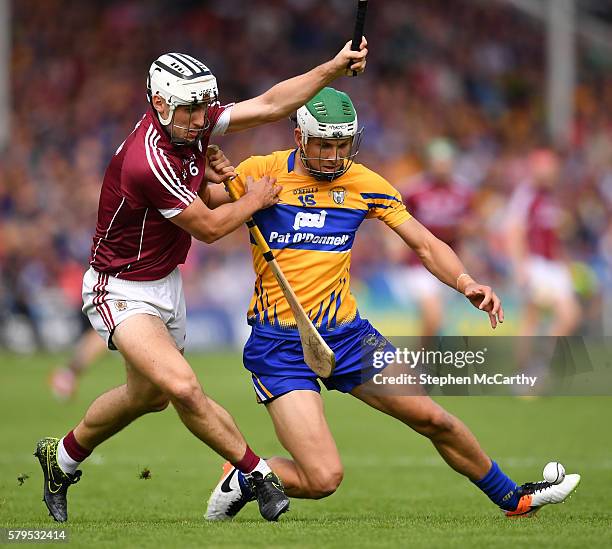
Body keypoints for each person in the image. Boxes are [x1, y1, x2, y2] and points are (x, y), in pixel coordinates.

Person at [204, 88, 581, 520]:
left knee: (434, 419)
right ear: (298, 137)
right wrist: (217, 181)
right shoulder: (260, 172)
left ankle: (513, 499)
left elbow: (423, 242)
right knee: (323, 478)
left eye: (342, 144)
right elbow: (205, 212)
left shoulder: (364, 183)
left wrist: (465, 282)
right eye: (324, 144)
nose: (333, 155)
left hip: (347, 336)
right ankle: (248, 476)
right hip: (280, 347)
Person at [34, 41, 368, 524]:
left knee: (146, 396)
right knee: (184, 387)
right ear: (162, 104)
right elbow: (210, 228)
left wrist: (334, 67)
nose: (201, 120)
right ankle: (258, 476)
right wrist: (253, 198)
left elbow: (273, 104)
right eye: (191, 111)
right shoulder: (147, 160)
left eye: (204, 108)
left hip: (165, 283)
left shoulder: (190, 124)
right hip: (120, 287)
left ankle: (60, 459)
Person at [387, 138, 475, 336]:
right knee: (433, 313)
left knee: (437, 320)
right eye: (438, 162)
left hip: (449, 262)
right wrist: (394, 245)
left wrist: (463, 234)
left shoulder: (463, 192)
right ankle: (423, 364)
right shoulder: (414, 190)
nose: (442, 167)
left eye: (446, 162)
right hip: (420, 262)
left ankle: (425, 360)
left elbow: (471, 225)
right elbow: (395, 219)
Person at [505, 149, 582, 337]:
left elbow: (556, 234)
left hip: (554, 265)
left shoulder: (553, 195)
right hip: (535, 263)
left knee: (571, 316)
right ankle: (525, 364)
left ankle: (540, 359)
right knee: (532, 317)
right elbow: (514, 231)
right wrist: (520, 266)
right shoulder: (526, 194)